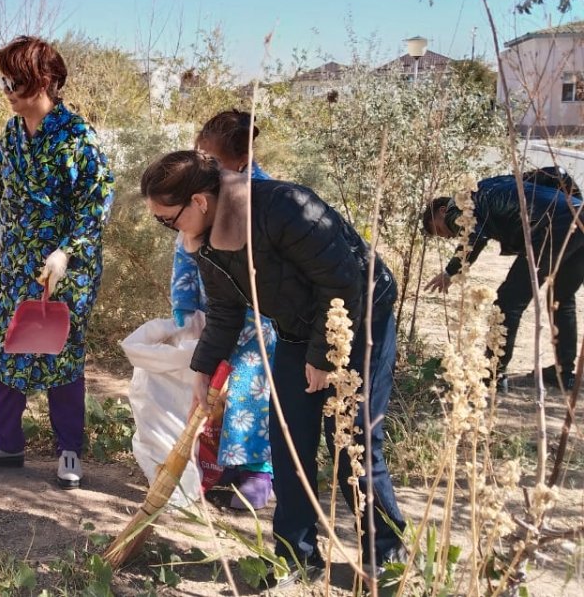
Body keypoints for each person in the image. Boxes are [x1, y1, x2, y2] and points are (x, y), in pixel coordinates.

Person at [142, 150, 406, 586]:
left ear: (200, 203)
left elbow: (343, 282)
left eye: (168, 219)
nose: (168, 228)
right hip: (297, 328)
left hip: (361, 318)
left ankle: (387, 556)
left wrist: (322, 357)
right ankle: (297, 559)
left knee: (352, 441)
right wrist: (202, 371)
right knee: (289, 443)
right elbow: (226, 309)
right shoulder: (204, 239)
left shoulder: (284, 207)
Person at [0, 35, 114, 489]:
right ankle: (7, 441)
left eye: (15, 79)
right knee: (6, 345)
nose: (7, 88)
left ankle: (69, 448)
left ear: (43, 80)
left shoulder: (77, 136)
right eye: (2, 80)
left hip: (64, 269)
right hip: (14, 264)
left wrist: (66, 250)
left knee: (59, 354)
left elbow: (97, 202)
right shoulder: (10, 134)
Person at [170, 110, 275, 510]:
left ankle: (259, 472)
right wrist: (184, 305)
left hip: (259, 319)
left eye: (211, 159)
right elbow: (183, 252)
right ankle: (223, 467)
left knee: (252, 393)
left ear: (241, 158)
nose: (204, 165)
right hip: (214, 314)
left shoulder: (263, 195)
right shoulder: (198, 196)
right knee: (214, 393)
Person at [423, 171, 583, 391]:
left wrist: (451, 272)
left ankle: (492, 375)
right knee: (561, 298)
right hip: (578, 217)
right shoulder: (490, 185)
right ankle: (564, 374)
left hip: (551, 227)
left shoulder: (457, 208)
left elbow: (476, 235)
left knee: (507, 303)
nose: (449, 235)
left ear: (442, 211)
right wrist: (575, 204)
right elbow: (555, 174)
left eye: (441, 229)